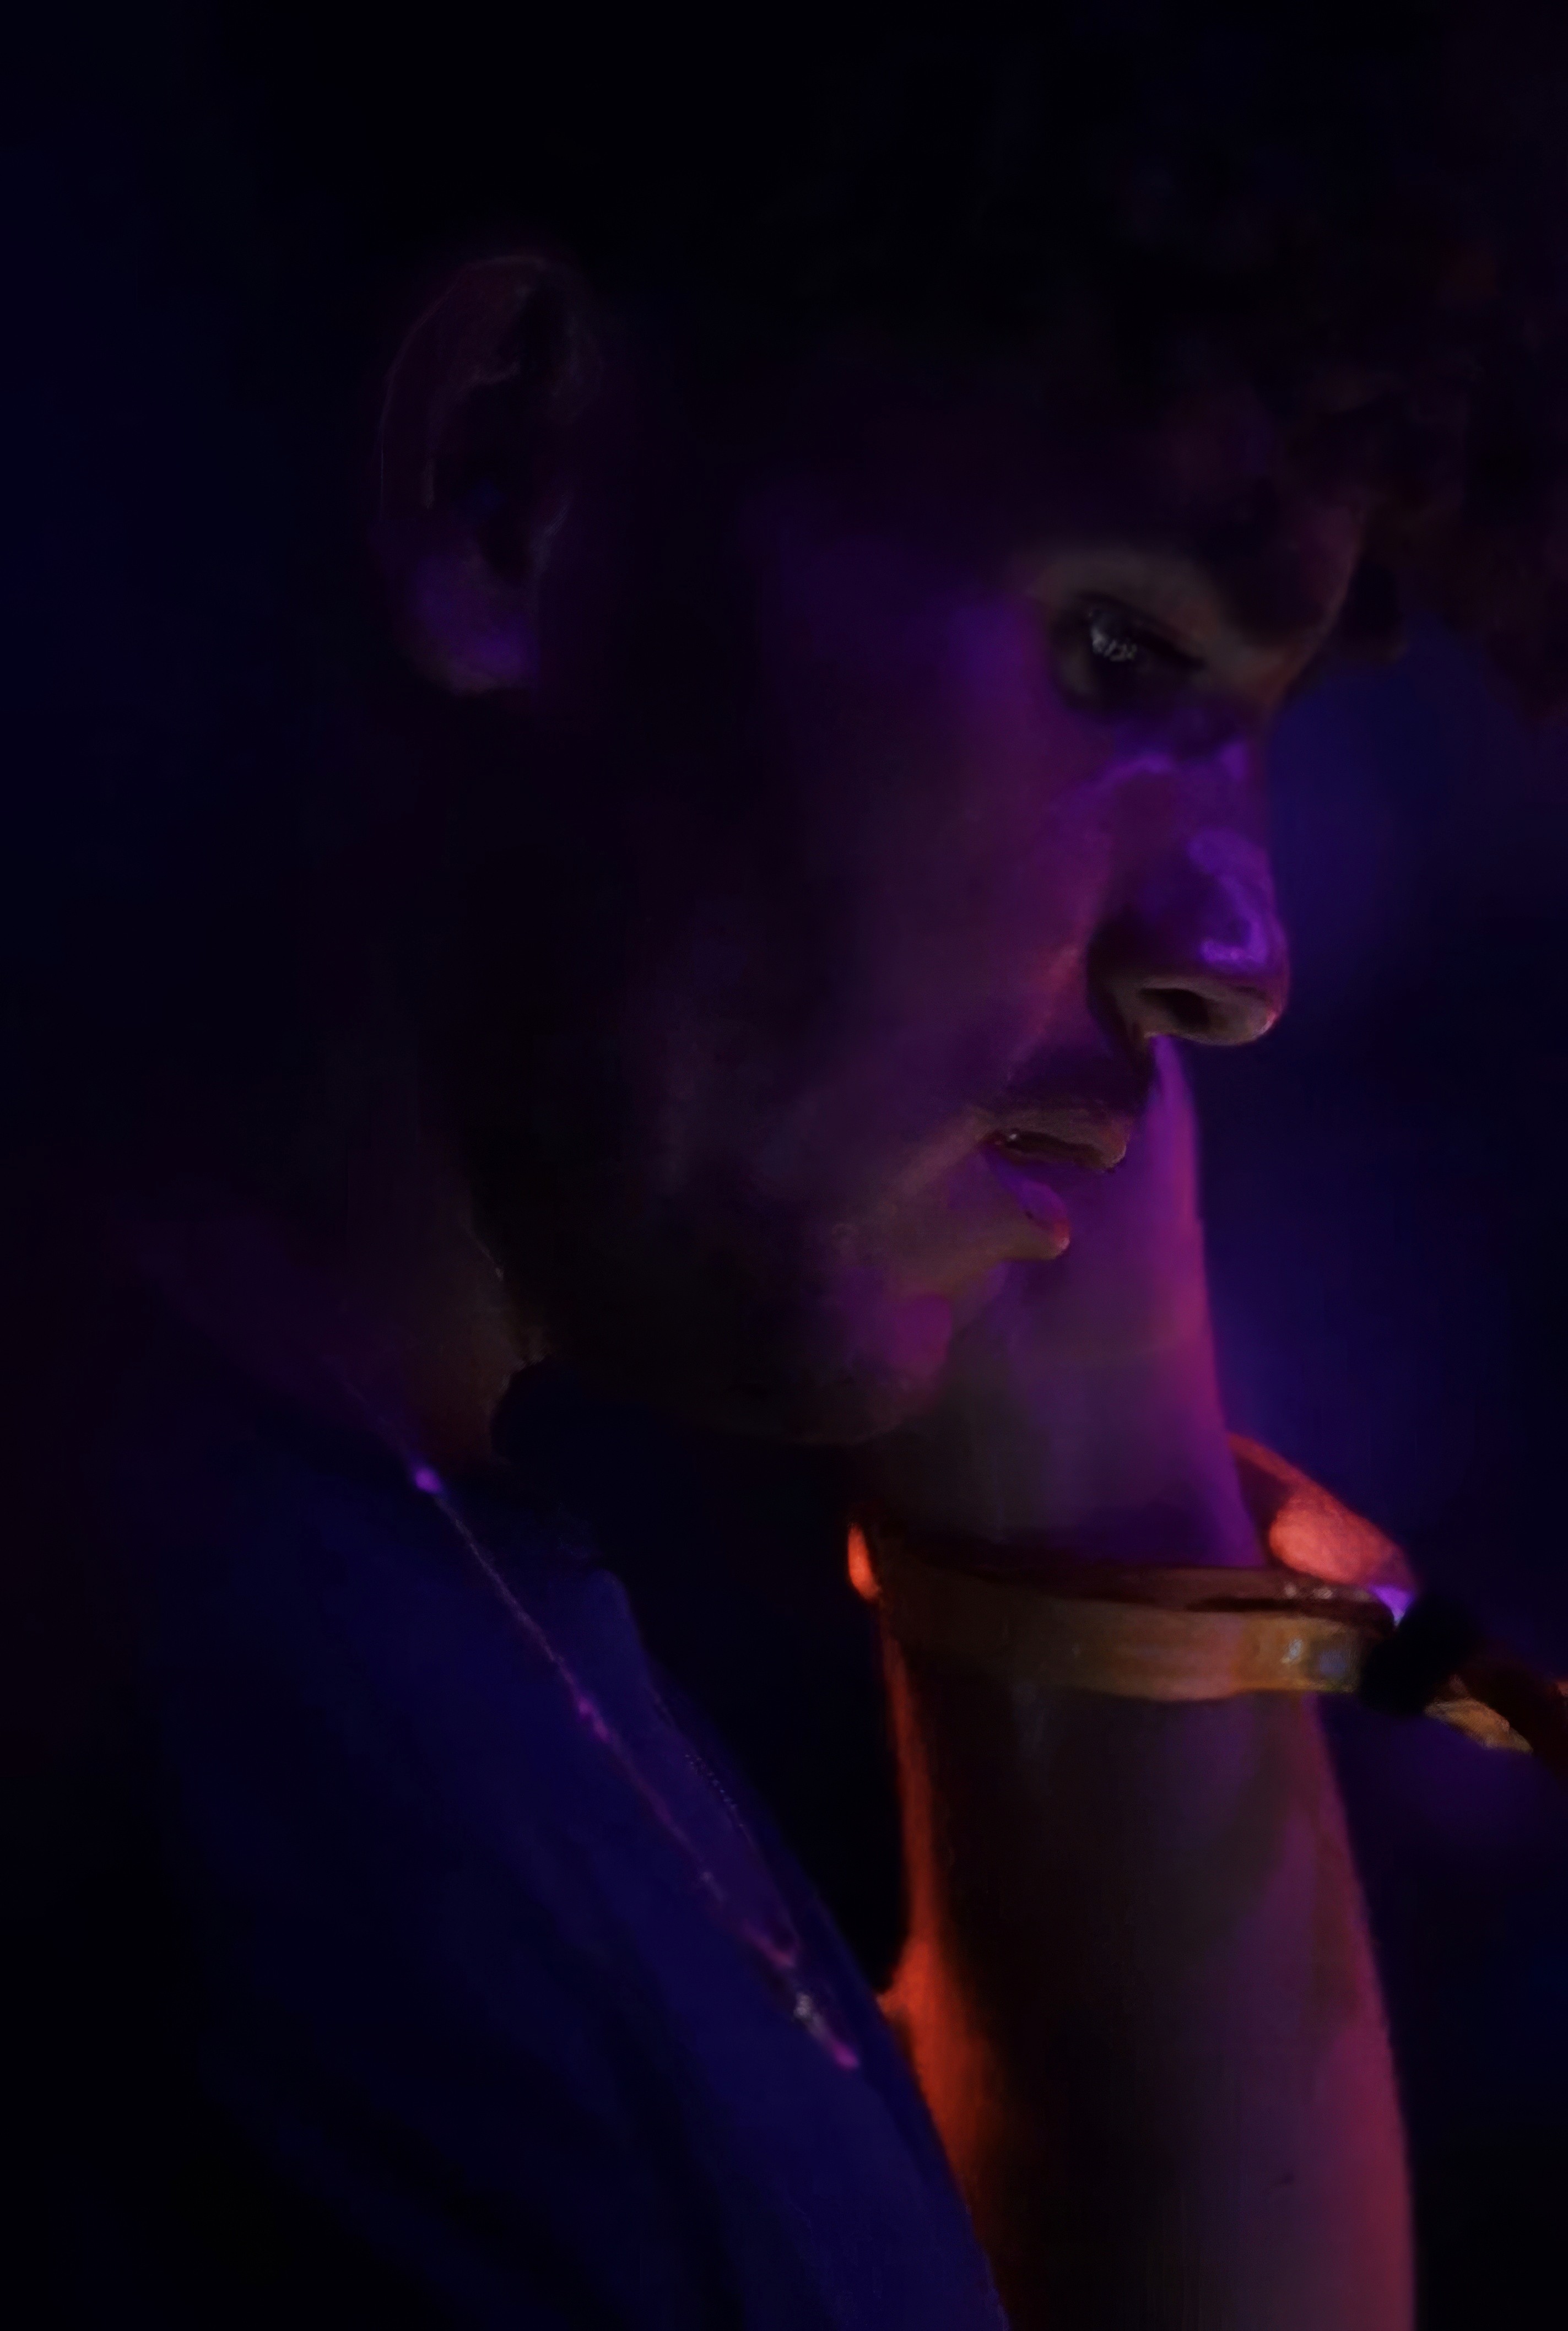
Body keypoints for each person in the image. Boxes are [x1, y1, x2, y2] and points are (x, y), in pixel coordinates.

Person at [9, 6, 1568, 2324]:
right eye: (1117, 641)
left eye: (1252, 737)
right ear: (507, 473)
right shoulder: (215, 1826)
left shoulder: (418, 1573)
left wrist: (1098, 1400)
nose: (1239, 954)